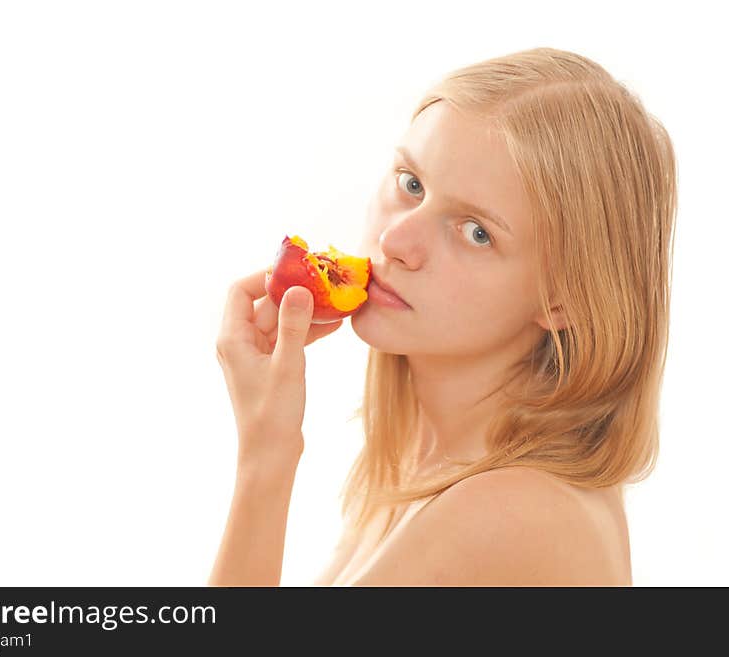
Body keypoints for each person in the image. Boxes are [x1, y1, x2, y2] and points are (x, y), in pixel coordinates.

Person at [208, 47, 677, 586]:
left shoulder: (512, 513)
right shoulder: (430, 470)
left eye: (476, 232)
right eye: (411, 184)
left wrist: (266, 456)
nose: (395, 240)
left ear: (563, 299)